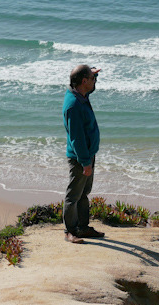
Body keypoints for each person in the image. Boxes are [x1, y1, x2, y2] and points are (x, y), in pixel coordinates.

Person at [62, 65, 105, 244]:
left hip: (88, 154)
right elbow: (77, 138)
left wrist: (92, 74)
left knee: (84, 192)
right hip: (81, 157)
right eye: (92, 78)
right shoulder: (73, 105)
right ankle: (70, 231)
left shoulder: (81, 95)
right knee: (74, 195)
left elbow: (89, 84)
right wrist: (86, 162)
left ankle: (83, 227)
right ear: (84, 81)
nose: (95, 81)